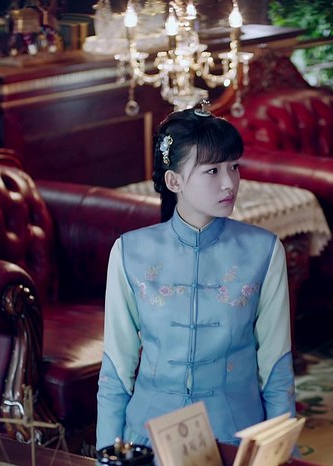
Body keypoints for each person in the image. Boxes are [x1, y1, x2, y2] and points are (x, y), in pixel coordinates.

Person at [96, 105, 296, 449]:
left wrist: (281, 454)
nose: (229, 182)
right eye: (212, 170)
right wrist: (108, 455)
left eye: (234, 167)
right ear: (174, 181)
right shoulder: (131, 252)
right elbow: (116, 371)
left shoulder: (263, 251)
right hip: (148, 437)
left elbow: (277, 370)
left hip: (234, 437)